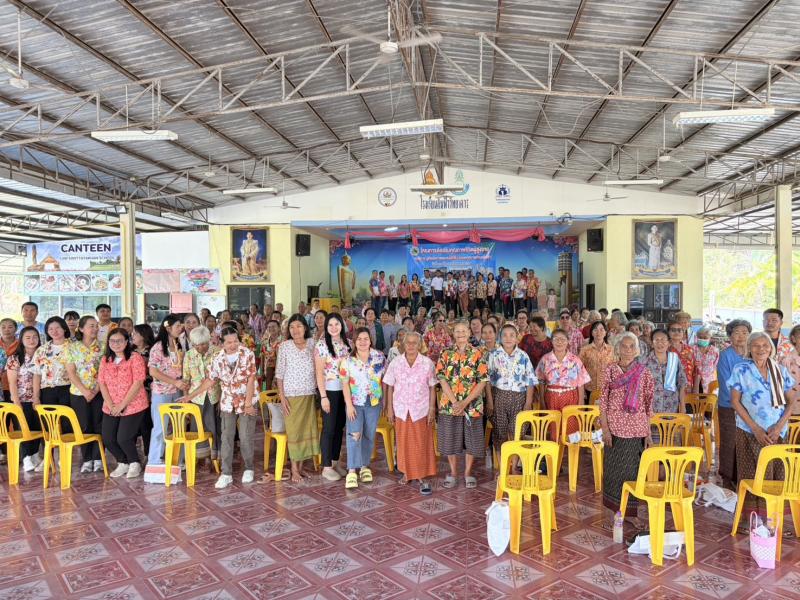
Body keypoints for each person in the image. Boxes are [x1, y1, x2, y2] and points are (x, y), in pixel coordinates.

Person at [728, 331, 797, 517]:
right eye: (756, 345)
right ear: (749, 348)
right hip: (749, 430)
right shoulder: (741, 369)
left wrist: (779, 425)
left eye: (765, 345)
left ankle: (774, 518)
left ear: (771, 349)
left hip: (777, 432)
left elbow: (792, 399)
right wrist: (756, 428)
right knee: (753, 473)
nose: (761, 349)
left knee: (776, 472)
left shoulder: (780, 370)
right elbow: (735, 401)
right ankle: (752, 518)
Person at [182, 325, 258, 488]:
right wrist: (190, 396)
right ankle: (226, 473)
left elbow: (251, 378)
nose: (233, 345)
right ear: (222, 343)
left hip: (247, 400)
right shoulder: (218, 358)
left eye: (235, 341)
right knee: (226, 437)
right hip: (228, 402)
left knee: (245, 437)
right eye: (229, 342)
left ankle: (249, 468)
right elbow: (210, 381)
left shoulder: (247, 354)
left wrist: (248, 403)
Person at [599, 333, 654, 528]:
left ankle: (630, 513)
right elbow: (603, 401)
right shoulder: (611, 370)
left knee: (632, 472)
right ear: (618, 348)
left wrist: (647, 433)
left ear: (637, 350)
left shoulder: (644, 373)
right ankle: (614, 512)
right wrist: (605, 428)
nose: (628, 350)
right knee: (613, 472)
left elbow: (648, 405)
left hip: (636, 430)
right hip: (614, 428)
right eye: (624, 346)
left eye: (632, 346)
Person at [436, 321, 488, 489]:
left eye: (463, 331)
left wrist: (465, 402)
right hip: (450, 405)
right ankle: (453, 472)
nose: (460, 334)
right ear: (453, 334)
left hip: (471, 405)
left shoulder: (478, 353)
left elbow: (482, 381)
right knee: (450, 439)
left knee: (472, 440)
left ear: (469, 333)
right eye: (457, 331)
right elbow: (441, 378)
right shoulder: (445, 353)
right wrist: (454, 402)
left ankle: (467, 473)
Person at [384, 331, 437, 495]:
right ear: (403, 345)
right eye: (408, 343)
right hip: (401, 408)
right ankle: (407, 473)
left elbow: (432, 387)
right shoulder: (396, 363)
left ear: (420, 345)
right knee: (403, 442)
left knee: (421, 442)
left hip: (420, 409)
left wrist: (432, 409)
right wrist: (389, 408)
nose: (412, 346)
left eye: (415, 343)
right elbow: (390, 386)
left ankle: (421, 475)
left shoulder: (427, 363)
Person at [98, 328, 149, 479]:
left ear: (127, 342)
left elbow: (138, 382)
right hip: (111, 405)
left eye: (120, 340)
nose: (116, 344)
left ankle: (134, 463)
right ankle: (123, 462)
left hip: (134, 404)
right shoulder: (105, 360)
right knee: (108, 438)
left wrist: (122, 405)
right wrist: (111, 405)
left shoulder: (135, 358)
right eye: (113, 341)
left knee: (124, 438)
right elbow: (102, 383)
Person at [339, 327, 386, 489]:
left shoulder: (379, 356)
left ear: (370, 340)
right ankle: (352, 470)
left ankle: (365, 466)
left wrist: (385, 402)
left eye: (366, 338)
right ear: (354, 341)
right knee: (354, 435)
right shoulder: (348, 360)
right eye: (359, 339)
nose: (363, 342)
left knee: (368, 435)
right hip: (355, 403)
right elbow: (344, 384)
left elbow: (384, 380)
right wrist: (349, 405)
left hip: (373, 403)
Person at [276, 314, 319, 483]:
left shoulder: (312, 344)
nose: (295, 330)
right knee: (294, 432)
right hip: (291, 396)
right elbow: (279, 374)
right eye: (292, 327)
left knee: (306, 431)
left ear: (305, 328)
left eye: (299, 326)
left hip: (309, 393)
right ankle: (294, 470)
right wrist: (282, 396)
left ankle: (300, 468)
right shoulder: (284, 346)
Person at [486, 324, 536, 453]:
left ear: (516, 338)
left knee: (517, 431)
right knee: (500, 433)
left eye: (512, 335)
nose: (508, 338)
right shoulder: (494, 355)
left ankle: (514, 466)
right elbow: (487, 380)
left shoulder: (523, 356)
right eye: (505, 335)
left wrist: (528, 402)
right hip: (499, 396)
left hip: (519, 397)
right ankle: (503, 466)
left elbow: (530, 380)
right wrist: (490, 402)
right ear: (500, 338)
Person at [147, 314, 188, 467]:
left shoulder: (178, 345)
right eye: (178, 326)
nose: (181, 328)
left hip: (176, 392)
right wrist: (174, 382)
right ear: (168, 327)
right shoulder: (158, 347)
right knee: (160, 427)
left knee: (178, 427)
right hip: (162, 392)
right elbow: (153, 371)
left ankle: (178, 459)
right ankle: (155, 460)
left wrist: (181, 384)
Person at [315, 313, 352, 482]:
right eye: (330, 324)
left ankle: (336, 462)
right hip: (329, 391)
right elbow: (319, 373)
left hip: (345, 392)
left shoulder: (348, 344)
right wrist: (323, 396)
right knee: (329, 428)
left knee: (339, 427)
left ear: (342, 325)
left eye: (337, 324)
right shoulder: (322, 345)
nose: (334, 327)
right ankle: (326, 466)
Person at [65, 316, 104, 474]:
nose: (94, 329)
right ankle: (87, 459)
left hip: (100, 392)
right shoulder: (72, 347)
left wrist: (95, 390)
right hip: (78, 393)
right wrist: (85, 391)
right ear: (81, 328)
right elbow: (71, 372)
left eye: (96, 326)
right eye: (90, 326)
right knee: (84, 426)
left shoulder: (103, 346)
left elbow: (105, 371)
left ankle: (98, 458)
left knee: (98, 425)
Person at [716, 319, 751, 490]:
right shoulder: (725, 355)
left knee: (746, 441)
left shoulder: (753, 353)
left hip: (751, 408)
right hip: (729, 405)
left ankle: (743, 476)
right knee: (729, 441)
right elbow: (726, 383)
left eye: (744, 332)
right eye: (736, 332)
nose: (741, 336)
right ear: (730, 336)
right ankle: (727, 478)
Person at [536, 329, 590, 438]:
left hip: (571, 397)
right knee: (554, 429)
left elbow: (580, 382)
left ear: (568, 342)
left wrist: (580, 403)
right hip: (551, 398)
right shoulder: (545, 359)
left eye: (563, 339)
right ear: (551, 341)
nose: (559, 342)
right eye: (556, 339)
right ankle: (556, 453)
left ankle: (570, 453)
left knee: (570, 430)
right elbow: (541, 381)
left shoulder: (575, 360)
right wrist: (542, 399)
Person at [182, 326, 220, 464]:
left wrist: (222, 399)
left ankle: (214, 457)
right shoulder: (189, 355)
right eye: (196, 345)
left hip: (214, 395)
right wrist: (186, 398)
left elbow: (221, 378)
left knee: (215, 426)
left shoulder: (217, 352)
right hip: (196, 398)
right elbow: (186, 379)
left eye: (203, 344)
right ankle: (200, 457)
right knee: (198, 427)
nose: (200, 347)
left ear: (209, 341)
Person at [7, 327, 42, 472]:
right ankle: (26, 458)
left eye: (35, 337)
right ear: (21, 340)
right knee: (22, 429)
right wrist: (16, 403)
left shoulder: (42, 355)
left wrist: (36, 398)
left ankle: (34, 455)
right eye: (28, 337)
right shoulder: (14, 358)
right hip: (20, 400)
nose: (32, 340)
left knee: (36, 428)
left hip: (37, 399)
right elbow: (12, 383)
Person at [640, 328, 687, 415]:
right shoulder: (644, 361)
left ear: (669, 343)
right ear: (652, 343)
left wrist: (683, 406)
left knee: (670, 428)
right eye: (656, 340)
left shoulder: (674, 359)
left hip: (671, 406)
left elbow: (682, 383)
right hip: (650, 408)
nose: (660, 343)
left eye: (663, 340)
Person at [131, 324, 155, 454]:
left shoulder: (152, 351)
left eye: (135, 334)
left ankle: (148, 453)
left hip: (148, 391)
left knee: (146, 424)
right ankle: (132, 455)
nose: (132, 336)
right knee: (132, 425)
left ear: (144, 335)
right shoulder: (129, 350)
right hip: (131, 393)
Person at [579, 321, 614, 402]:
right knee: (590, 413)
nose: (598, 332)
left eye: (602, 330)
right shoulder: (585, 350)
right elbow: (579, 370)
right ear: (591, 333)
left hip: (606, 388)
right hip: (589, 388)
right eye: (595, 330)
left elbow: (614, 369)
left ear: (605, 333)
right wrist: (582, 389)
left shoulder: (611, 349)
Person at [667, 319, 696, 392]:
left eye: (679, 330)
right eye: (673, 330)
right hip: (670, 390)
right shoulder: (664, 349)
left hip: (688, 388)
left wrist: (695, 389)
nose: (676, 332)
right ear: (668, 332)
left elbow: (696, 370)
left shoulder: (689, 349)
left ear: (683, 333)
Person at [692, 326, 720, 394]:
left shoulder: (715, 351)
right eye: (700, 337)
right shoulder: (692, 349)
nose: (702, 339)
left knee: (708, 402)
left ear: (710, 339)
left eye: (705, 338)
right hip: (694, 381)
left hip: (709, 382)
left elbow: (715, 365)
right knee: (694, 402)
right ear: (697, 338)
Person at [259, 320, 282, 390]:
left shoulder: (283, 341)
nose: (271, 329)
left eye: (273, 326)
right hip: (267, 373)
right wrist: (262, 372)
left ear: (279, 328)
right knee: (268, 394)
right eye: (269, 327)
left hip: (280, 374)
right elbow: (262, 357)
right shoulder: (264, 341)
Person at [0, 318, 19, 402]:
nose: (6, 330)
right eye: (3, 327)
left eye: (10, 327)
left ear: (16, 329)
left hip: (17, 385)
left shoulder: (21, 344)